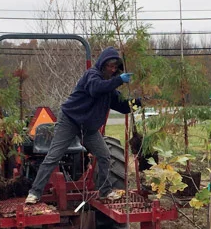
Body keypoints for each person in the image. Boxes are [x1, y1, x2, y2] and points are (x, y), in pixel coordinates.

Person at [25, 46, 140, 204]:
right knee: (53, 156)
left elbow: (123, 107)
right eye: (109, 66)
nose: (112, 70)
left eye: (115, 67)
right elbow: (96, 89)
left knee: (105, 155)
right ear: (102, 64)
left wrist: (139, 102)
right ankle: (35, 193)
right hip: (70, 121)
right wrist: (119, 80)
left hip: (89, 129)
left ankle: (105, 191)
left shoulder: (110, 89)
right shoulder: (92, 76)